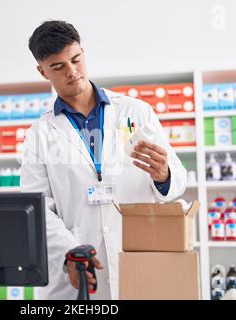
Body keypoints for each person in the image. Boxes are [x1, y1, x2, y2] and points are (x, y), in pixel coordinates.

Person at [21, 20, 187, 300]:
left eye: (76, 59)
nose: (72, 72)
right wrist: (68, 253)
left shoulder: (137, 112)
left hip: (136, 258)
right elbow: (36, 209)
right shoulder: (39, 134)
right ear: (42, 71)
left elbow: (178, 181)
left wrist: (164, 176)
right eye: (58, 67)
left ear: (83, 53)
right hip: (77, 268)